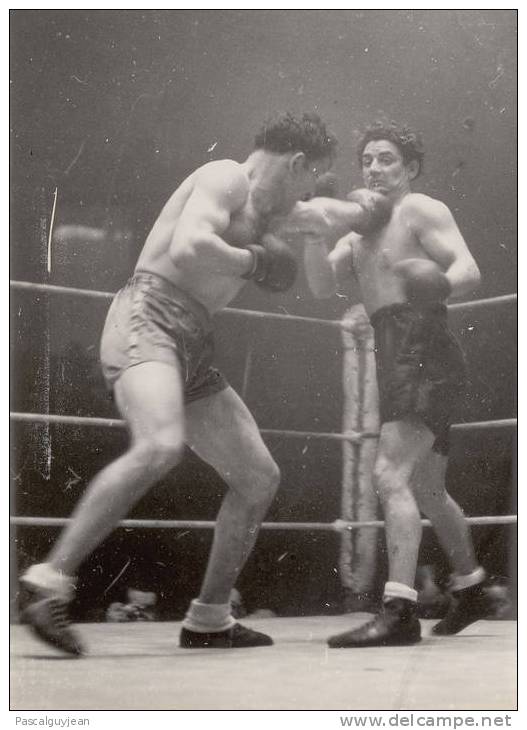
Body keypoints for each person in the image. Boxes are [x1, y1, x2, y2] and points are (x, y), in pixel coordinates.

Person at [20, 112, 340, 655]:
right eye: (312, 177)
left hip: (192, 339)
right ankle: (47, 584)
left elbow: (324, 249)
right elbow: (192, 247)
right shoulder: (225, 178)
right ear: (297, 163)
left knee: (258, 476)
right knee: (161, 445)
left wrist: (321, 228)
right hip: (148, 316)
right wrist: (256, 259)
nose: (308, 191)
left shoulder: (271, 209)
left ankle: (210, 618)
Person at [304, 120, 494, 647]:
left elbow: (469, 269)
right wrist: (315, 235)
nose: (374, 168)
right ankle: (473, 587)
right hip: (393, 349)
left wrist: (430, 287)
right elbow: (321, 286)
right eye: (367, 159)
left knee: (389, 475)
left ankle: (399, 610)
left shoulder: (419, 210)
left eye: (386, 159)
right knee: (428, 487)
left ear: (409, 168)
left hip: (422, 345)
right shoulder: (360, 230)